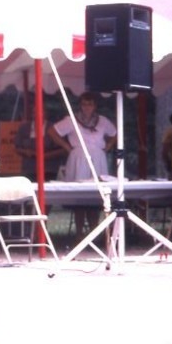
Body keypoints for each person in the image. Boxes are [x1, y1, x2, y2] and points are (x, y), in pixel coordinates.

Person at [48, 92, 117, 238]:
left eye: (90, 104)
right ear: (80, 105)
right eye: (84, 104)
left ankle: (94, 231)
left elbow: (115, 133)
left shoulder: (102, 121)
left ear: (95, 106)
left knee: (97, 193)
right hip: (78, 157)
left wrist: (109, 146)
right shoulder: (72, 120)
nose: (87, 107)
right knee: (79, 195)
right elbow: (53, 131)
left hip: (98, 157)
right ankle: (79, 233)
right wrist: (67, 147)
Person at [14, 103, 68, 183]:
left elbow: (63, 149)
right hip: (29, 168)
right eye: (34, 112)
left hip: (50, 168)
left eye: (39, 112)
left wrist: (47, 155)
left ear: (45, 113)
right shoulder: (24, 128)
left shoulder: (54, 128)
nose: (36, 114)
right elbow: (17, 147)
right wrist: (26, 152)